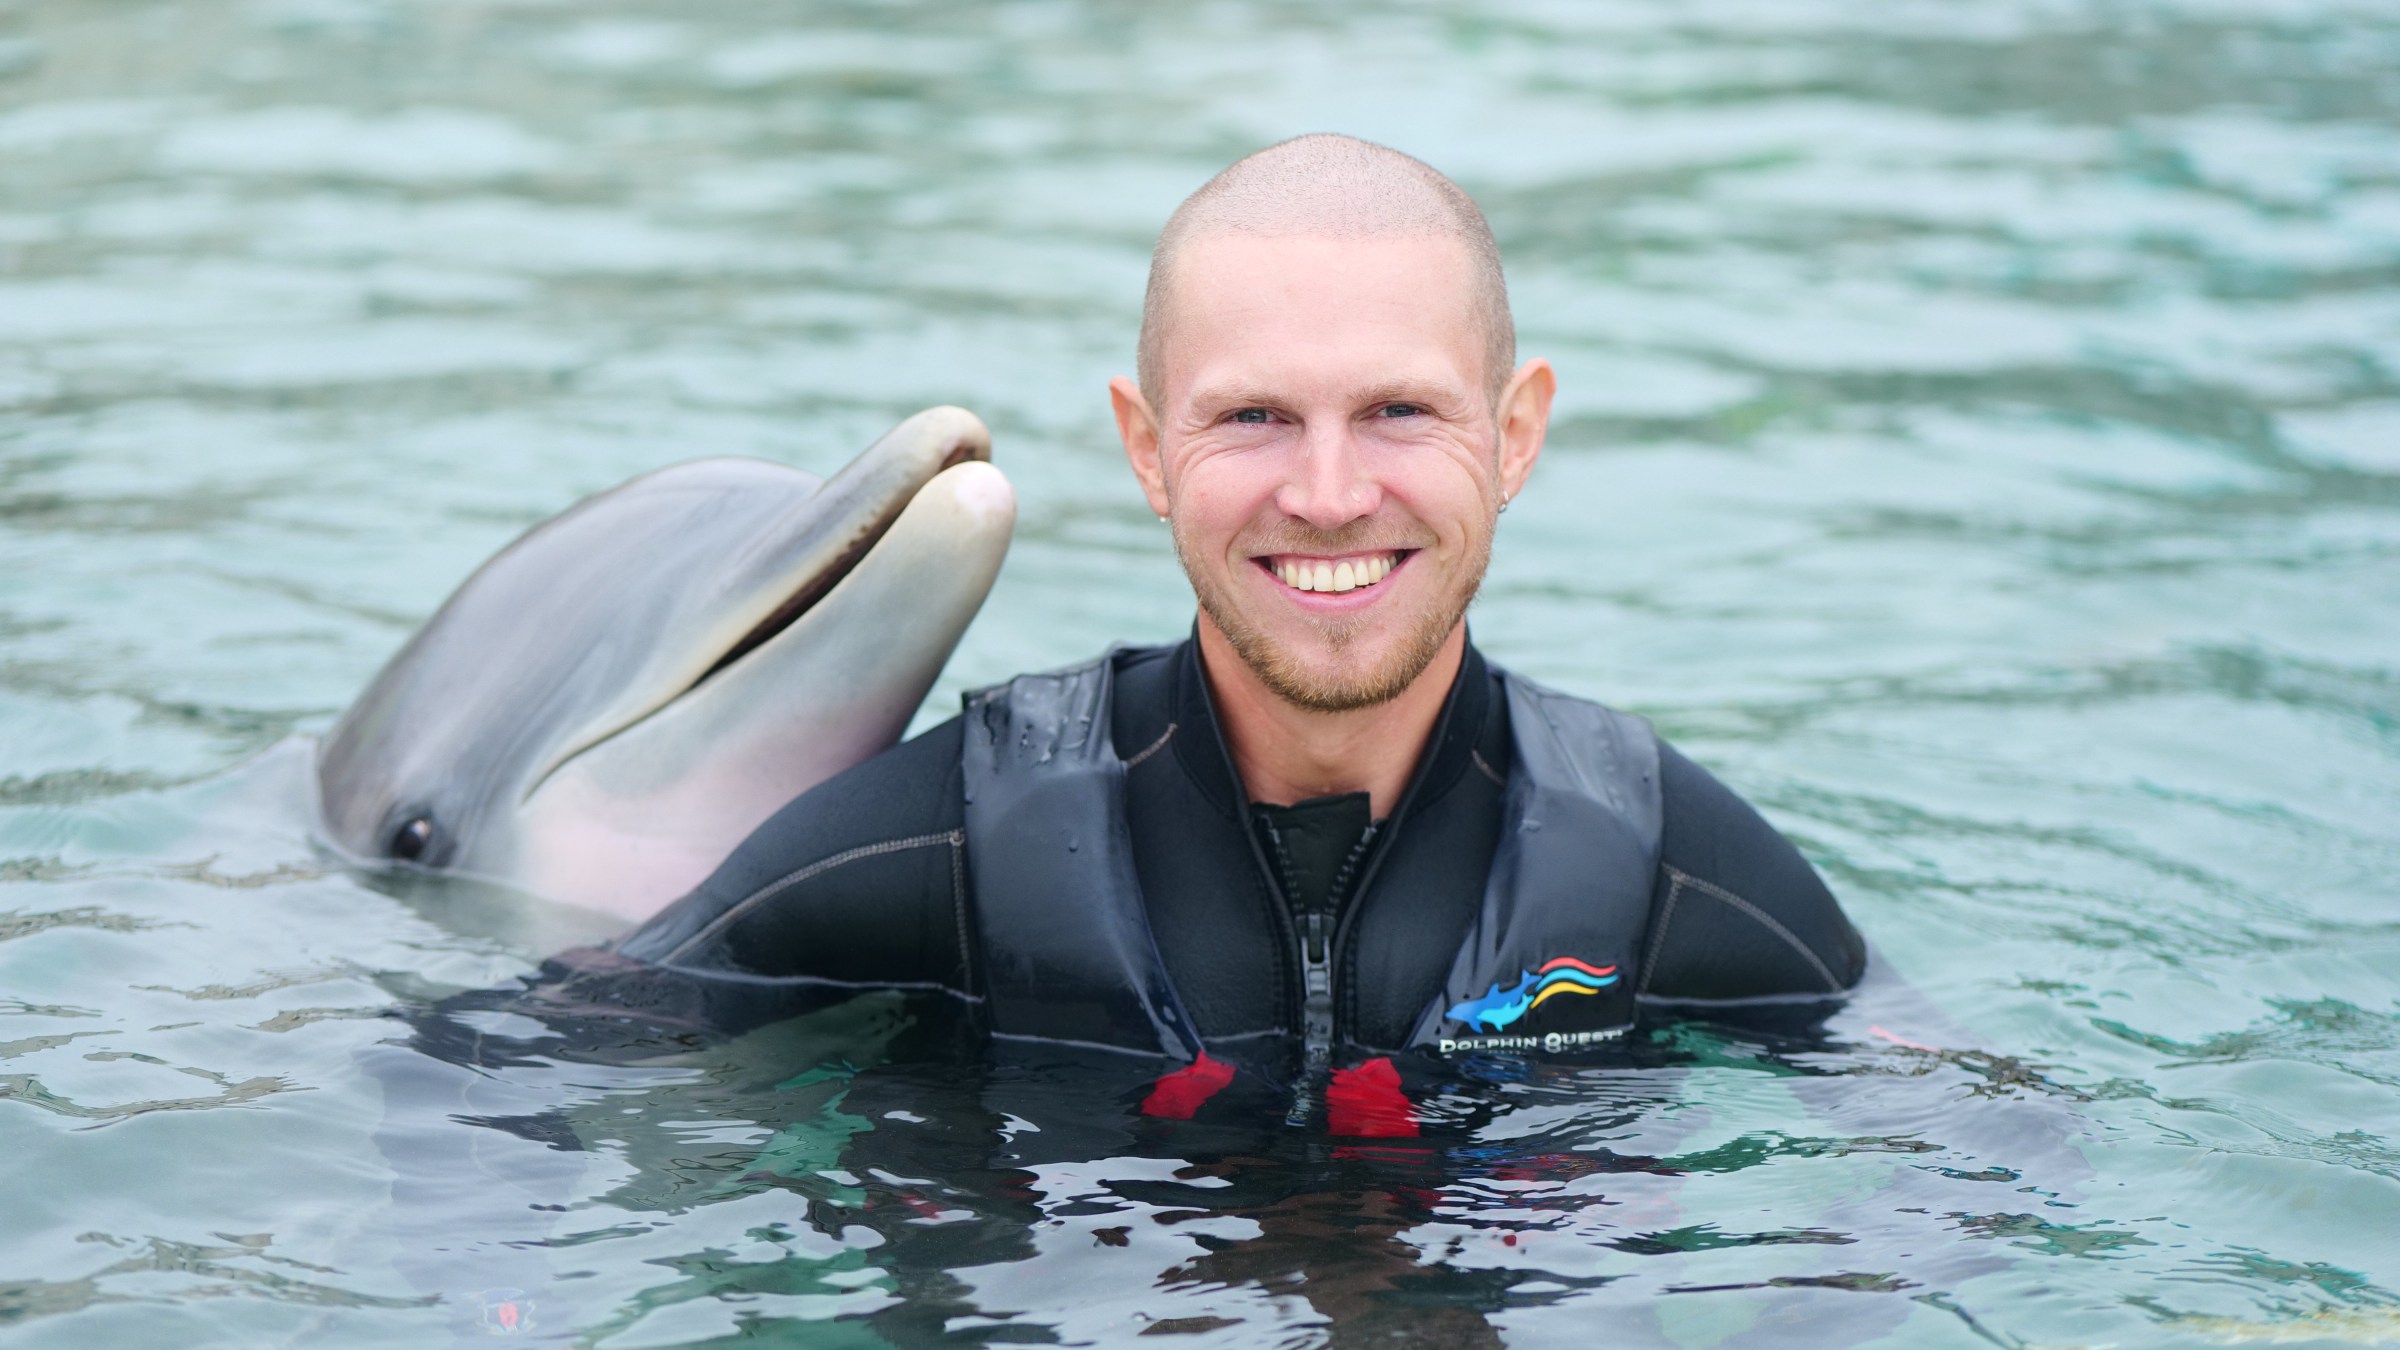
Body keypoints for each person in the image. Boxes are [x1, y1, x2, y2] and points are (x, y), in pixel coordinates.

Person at [601, 134, 1865, 1079]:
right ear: (1147, 450)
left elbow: (1972, 1146)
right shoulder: (957, 846)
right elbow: (509, 1068)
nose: (1326, 494)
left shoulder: (1647, 859)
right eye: (1254, 417)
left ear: (1515, 434)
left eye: (1399, 411)